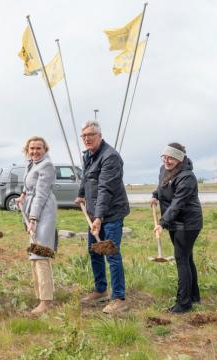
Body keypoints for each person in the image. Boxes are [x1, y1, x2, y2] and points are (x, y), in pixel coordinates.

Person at [75, 120, 130, 314]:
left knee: (111, 254)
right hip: (94, 213)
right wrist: (81, 194)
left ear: (100, 135)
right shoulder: (89, 155)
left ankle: (119, 298)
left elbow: (105, 188)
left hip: (112, 213)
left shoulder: (110, 157)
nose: (87, 139)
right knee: (94, 251)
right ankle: (101, 290)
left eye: (91, 135)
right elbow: (86, 177)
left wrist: (98, 217)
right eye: (84, 136)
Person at [150, 142, 203, 313]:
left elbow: (177, 204)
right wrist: (155, 195)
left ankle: (183, 303)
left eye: (171, 157)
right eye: (164, 156)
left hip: (188, 224)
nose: (166, 160)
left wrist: (162, 224)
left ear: (179, 159)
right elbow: (162, 186)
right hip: (175, 222)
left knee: (181, 259)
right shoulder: (163, 169)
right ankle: (193, 296)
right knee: (187, 258)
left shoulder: (187, 177)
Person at [16, 136, 57, 315]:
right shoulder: (31, 164)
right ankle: (39, 294)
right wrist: (23, 196)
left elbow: (41, 193)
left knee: (40, 254)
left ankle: (46, 301)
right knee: (34, 252)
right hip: (32, 207)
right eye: (32, 148)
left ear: (45, 149)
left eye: (38, 148)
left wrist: (33, 218)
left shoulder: (47, 165)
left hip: (43, 210)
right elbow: (29, 186)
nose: (35, 151)